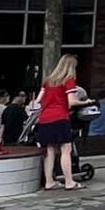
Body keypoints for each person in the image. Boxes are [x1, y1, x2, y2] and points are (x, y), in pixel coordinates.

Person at [35, 55, 85, 189]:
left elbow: (38, 100)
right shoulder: (68, 80)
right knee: (66, 149)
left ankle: (49, 182)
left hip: (44, 118)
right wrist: (86, 102)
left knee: (50, 150)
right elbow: (72, 102)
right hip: (59, 117)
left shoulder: (47, 81)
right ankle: (69, 182)